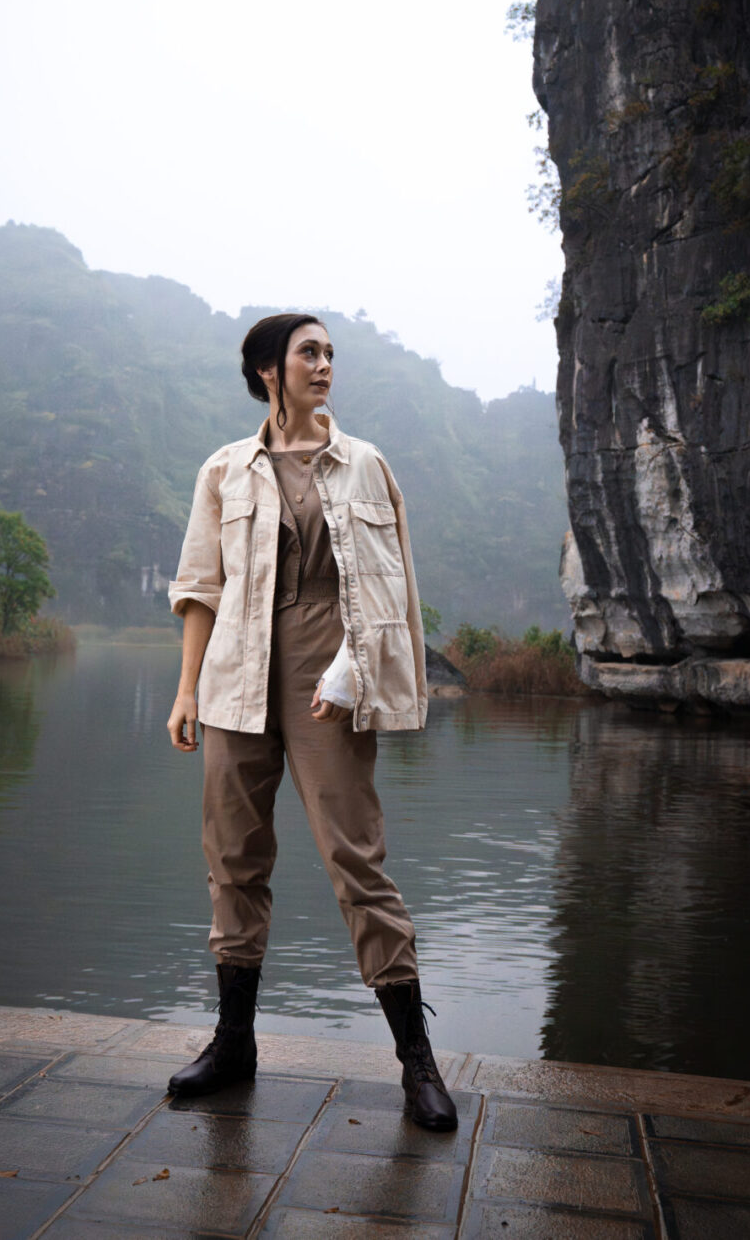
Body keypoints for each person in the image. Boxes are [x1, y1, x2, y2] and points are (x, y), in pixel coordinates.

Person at [164, 312, 457, 1132]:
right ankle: (233, 1046)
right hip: (233, 678)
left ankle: (416, 1061)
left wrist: (352, 673)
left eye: (330, 353)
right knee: (233, 857)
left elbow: (391, 593)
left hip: (328, 677)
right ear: (269, 371)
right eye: (309, 353)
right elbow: (200, 588)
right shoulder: (225, 470)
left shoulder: (365, 466)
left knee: (356, 860)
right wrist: (188, 691)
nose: (325, 365)